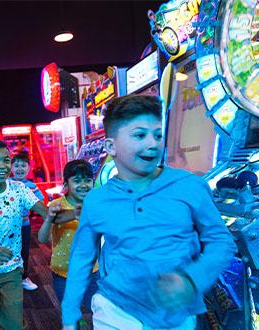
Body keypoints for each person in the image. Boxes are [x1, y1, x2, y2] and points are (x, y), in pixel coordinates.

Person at [61, 95, 236, 330]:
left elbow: (221, 241)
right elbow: (82, 256)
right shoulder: (97, 199)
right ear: (111, 146)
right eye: (140, 135)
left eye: (158, 134)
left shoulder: (189, 186)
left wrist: (193, 280)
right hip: (115, 310)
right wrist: (70, 311)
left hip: (176, 314)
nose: (153, 143)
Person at [0, 140, 73, 330]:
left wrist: (77, 213)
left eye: (6, 160)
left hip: (11, 271)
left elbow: (49, 215)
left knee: (14, 324)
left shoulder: (20, 190)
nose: (2, 166)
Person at [38, 160, 99, 309]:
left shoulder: (95, 203)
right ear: (65, 185)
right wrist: (49, 219)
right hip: (63, 272)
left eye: (88, 180)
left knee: (97, 311)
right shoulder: (57, 206)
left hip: (91, 270)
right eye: (77, 181)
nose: (83, 185)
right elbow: (42, 238)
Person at [10, 151, 43, 291]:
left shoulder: (31, 186)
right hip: (7, 226)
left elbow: (40, 201)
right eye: (16, 165)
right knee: (8, 251)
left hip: (24, 225)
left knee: (23, 252)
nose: (20, 168)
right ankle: (9, 279)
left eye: (23, 165)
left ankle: (23, 277)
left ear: (29, 168)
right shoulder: (7, 183)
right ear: (11, 168)